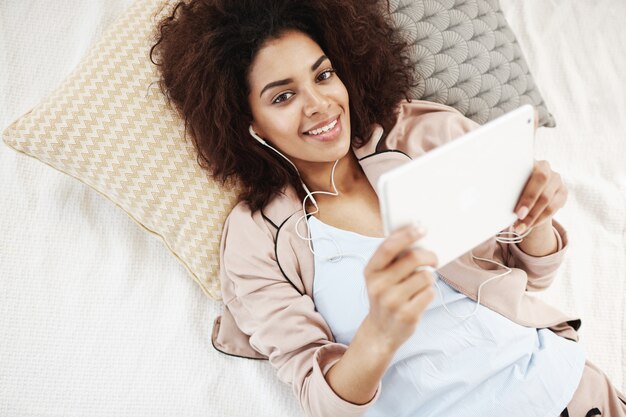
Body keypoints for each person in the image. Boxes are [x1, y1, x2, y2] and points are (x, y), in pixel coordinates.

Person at [150, 0, 626, 416]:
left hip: (571, 390)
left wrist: (535, 218)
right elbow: (322, 401)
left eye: (323, 74)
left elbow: (530, 276)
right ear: (247, 123)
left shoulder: (422, 134)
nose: (319, 104)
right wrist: (380, 330)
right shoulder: (258, 237)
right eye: (283, 96)